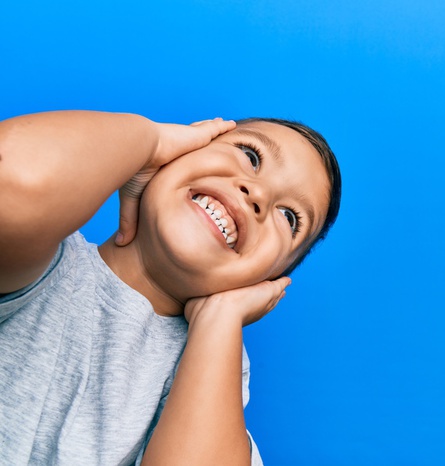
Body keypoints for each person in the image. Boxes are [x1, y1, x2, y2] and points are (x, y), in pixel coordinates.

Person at [0, 110, 341, 465]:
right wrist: (150, 142)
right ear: (185, 147)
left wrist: (220, 319)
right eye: (251, 155)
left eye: (289, 217)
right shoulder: (43, 261)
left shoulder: (217, 392)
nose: (257, 194)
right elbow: (12, 182)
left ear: (268, 281)